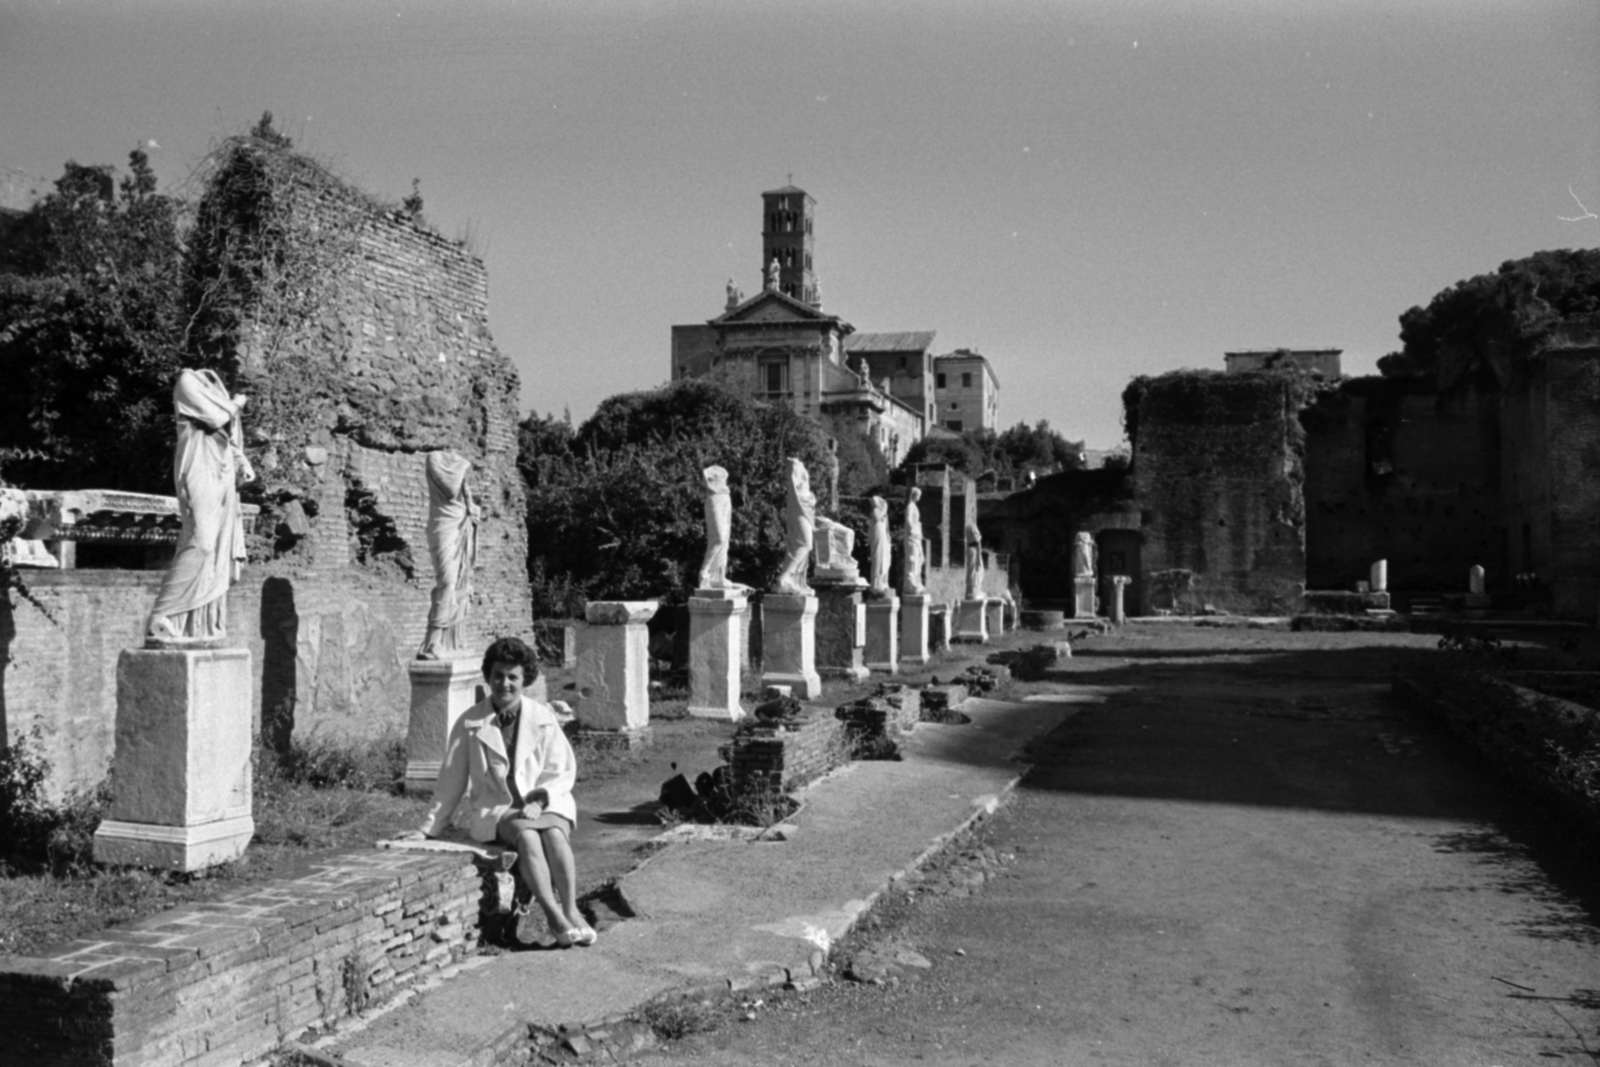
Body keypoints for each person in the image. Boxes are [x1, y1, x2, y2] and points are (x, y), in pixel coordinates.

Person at [399, 637, 594, 948]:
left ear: (525, 679)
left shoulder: (543, 718)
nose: (505, 684)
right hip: (499, 812)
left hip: (546, 804)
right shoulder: (470, 722)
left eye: (513, 677)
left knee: (555, 834)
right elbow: (451, 780)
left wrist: (541, 799)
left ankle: (572, 910)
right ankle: (554, 915)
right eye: (498, 676)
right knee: (528, 835)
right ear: (488, 677)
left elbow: (562, 770)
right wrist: (427, 829)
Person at [146, 368, 255, 642]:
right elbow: (218, 416)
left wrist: (242, 463)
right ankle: (160, 616)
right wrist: (238, 403)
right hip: (198, 463)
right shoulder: (187, 382)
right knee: (202, 541)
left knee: (217, 549)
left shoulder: (218, 390)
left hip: (223, 470)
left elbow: (228, 437)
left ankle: (200, 625)